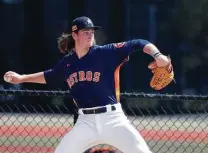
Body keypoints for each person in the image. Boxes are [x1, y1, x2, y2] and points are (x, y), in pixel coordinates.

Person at [4, 16, 171, 153]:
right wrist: (21, 78)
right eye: (85, 32)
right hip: (85, 122)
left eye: (92, 31)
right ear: (75, 35)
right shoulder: (68, 63)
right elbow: (49, 76)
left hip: (113, 119)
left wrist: (157, 54)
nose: (90, 34)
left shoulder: (106, 53)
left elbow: (138, 43)